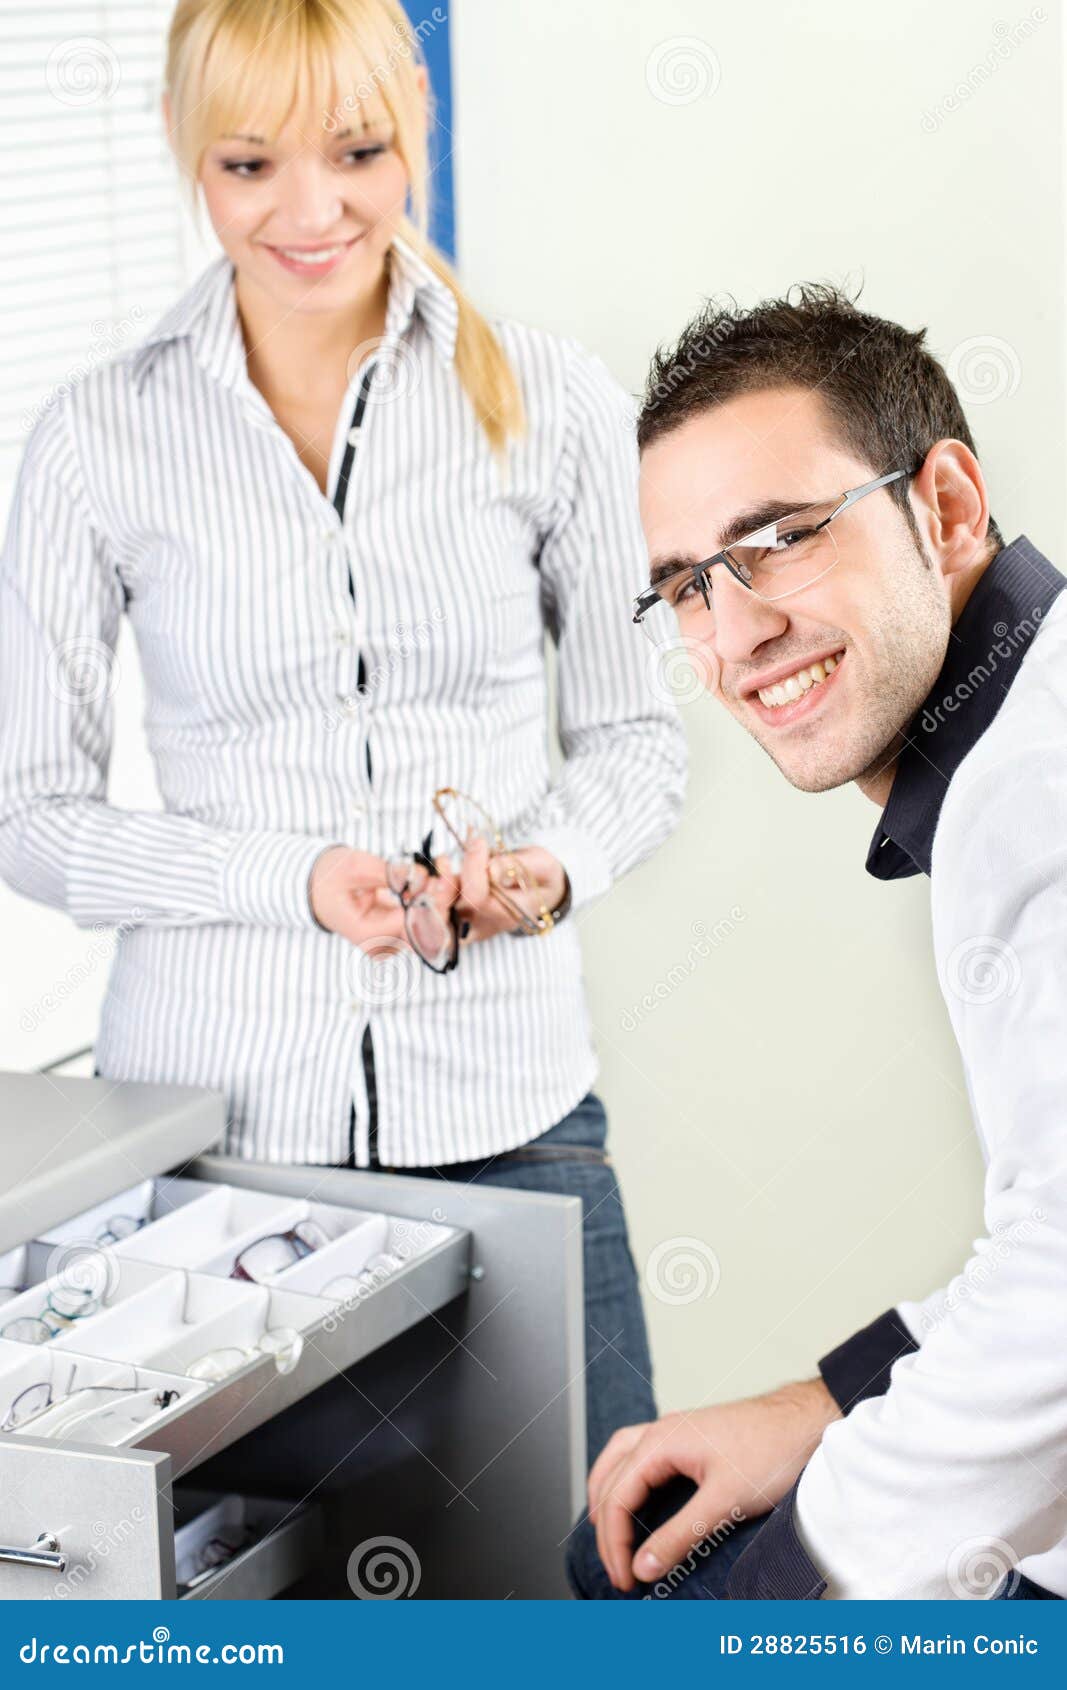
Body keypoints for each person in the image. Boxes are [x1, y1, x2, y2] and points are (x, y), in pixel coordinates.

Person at [0, 0, 687, 1471]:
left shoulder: (551, 402)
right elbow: (31, 816)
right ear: (193, 160)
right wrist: (292, 878)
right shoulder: (96, 437)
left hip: (513, 1114)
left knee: (616, 1587)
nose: (310, 213)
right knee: (270, 1604)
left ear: (412, 142)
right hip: (221, 1151)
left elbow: (639, 736)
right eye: (250, 165)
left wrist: (544, 870)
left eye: (357, 152)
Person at [567, 285, 1067, 1598]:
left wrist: (778, 1589)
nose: (737, 638)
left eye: (780, 540)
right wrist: (822, 1405)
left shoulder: (1037, 803)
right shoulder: (1020, 741)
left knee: (656, 1589)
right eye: (687, 584)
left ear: (948, 507)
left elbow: (1061, 1317)